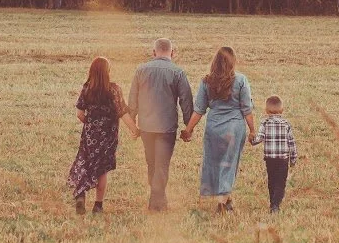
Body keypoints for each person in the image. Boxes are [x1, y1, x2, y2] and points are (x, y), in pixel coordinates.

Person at [181, 46, 255, 212]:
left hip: (214, 127)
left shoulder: (206, 82)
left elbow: (199, 109)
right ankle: (222, 202)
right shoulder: (241, 80)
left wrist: (189, 129)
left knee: (213, 162)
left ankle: (226, 199)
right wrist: (252, 131)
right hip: (234, 127)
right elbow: (247, 109)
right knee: (229, 162)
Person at [127, 38, 194, 211]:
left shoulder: (140, 70)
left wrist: (132, 123)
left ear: (153, 52)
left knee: (152, 163)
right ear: (173, 52)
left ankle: (157, 199)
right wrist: (188, 126)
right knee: (162, 165)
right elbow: (186, 101)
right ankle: (157, 201)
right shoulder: (178, 72)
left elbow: (132, 98)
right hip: (167, 126)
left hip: (146, 125)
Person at [67, 57, 140, 215]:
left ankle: (80, 195)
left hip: (90, 135)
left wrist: (91, 124)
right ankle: (98, 206)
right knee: (102, 170)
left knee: (84, 164)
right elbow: (123, 113)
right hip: (108, 137)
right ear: (108, 72)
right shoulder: (114, 89)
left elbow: (80, 114)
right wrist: (134, 129)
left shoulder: (87, 88)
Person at [250, 95, 298, 212]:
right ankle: (276, 204)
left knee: (271, 179)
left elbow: (259, 138)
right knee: (281, 181)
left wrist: (252, 140)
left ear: (266, 110)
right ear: (282, 110)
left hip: (270, 158)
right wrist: (293, 159)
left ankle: (273, 202)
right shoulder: (286, 124)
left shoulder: (264, 123)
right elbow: (291, 142)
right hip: (283, 158)